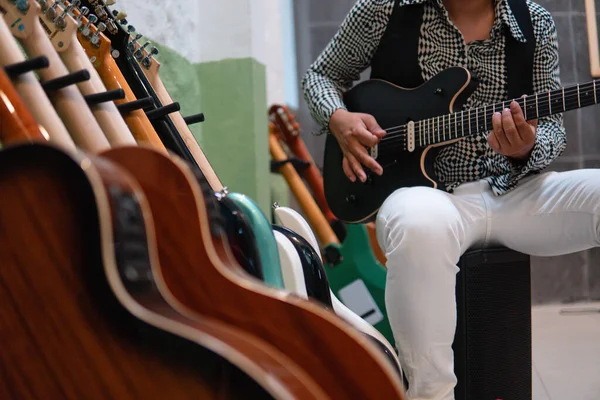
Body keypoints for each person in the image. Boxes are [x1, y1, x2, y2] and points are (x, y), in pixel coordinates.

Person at [302, 0, 600, 399]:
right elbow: (321, 75)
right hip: (430, 197)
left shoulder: (534, 22)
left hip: (515, 192)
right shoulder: (384, 9)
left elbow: (552, 129)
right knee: (418, 225)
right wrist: (338, 118)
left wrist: (525, 148)